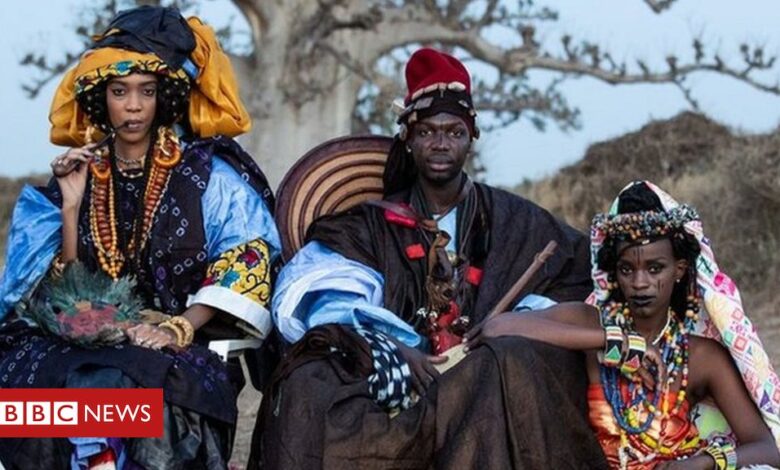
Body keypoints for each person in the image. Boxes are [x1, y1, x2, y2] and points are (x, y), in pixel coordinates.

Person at [249, 47, 607, 468]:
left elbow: (576, 285)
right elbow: (324, 297)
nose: (440, 144)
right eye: (428, 132)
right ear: (408, 137)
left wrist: (508, 326)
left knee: (513, 363)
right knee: (308, 380)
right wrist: (395, 345)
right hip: (395, 368)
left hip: (485, 369)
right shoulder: (366, 224)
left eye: (454, 132)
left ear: (471, 138)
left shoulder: (515, 220)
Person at [0, 6, 280, 469]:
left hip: (179, 343)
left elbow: (244, 261)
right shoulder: (78, 175)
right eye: (119, 91)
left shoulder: (209, 175)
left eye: (146, 92)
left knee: (123, 380)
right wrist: (71, 208)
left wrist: (177, 325)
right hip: (88, 336)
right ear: (99, 98)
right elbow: (64, 293)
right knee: (34, 384)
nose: (133, 105)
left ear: (164, 97)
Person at [465, 180, 780, 469]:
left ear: (679, 269)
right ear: (614, 273)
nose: (640, 283)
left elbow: (768, 448)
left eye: (655, 268)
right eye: (627, 269)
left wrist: (705, 463)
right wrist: (611, 341)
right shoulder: (588, 324)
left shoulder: (700, 356)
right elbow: (496, 327)